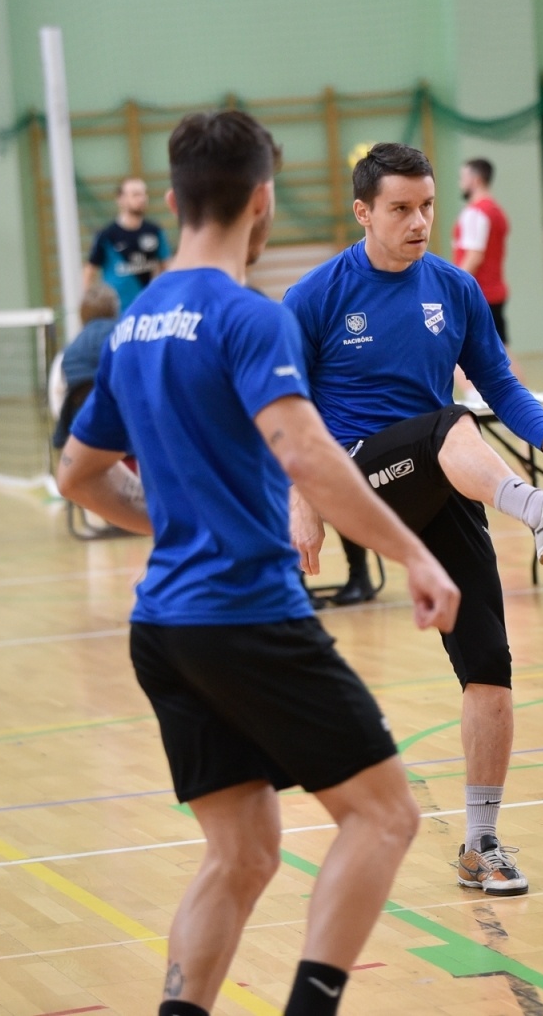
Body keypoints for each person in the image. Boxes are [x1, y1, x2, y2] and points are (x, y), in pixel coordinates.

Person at [56, 111, 460, 1016]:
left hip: (162, 627)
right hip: (246, 618)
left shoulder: (133, 325)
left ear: (171, 201)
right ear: (263, 201)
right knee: (386, 815)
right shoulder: (251, 317)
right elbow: (310, 457)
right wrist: (414, 553)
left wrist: (169, 527)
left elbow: (77, 474)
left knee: (241, 854)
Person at [284, 143, 543, 897]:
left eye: (429, 206)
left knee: (490, 671)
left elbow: (497, 377)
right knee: (445, 423)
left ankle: (481, 843)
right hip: (358, 477)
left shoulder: (455, 288)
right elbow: (285, 409)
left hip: (436, 483)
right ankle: (538, 514)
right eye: (401, 209)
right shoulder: (316, 296)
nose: (420, 221)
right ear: (364, 211)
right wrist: (301, 502)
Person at [84, 176, 171, 311]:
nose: (142, 198)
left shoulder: (154, 232)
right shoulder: (106, 235)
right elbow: (89, 272)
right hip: (117, 313)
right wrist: (89, 309)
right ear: (121, 199)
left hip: (148, 310)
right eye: (135, 194)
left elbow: (167, 267)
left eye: (143, 194)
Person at [52, 282, 120, 449]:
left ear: (81, 316)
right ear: (115, 311)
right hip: (124, 431)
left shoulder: (67, 352)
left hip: (83, 436)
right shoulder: (124, 337)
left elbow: (57, 395)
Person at [453, 158, 510, 343]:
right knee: (501, 352)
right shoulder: (496, 210)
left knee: (495, 356)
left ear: (475, 180)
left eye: (463, 178)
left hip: (480, 295)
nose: (460, 183)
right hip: (492, 292)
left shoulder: (477, 212)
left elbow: (474, 257)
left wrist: (453, 289)